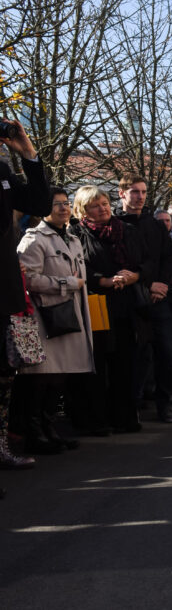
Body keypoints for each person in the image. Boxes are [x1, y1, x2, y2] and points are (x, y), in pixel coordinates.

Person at [15, 186, 92, 455]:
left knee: (59, 379)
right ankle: (34, 433)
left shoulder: (72, 239)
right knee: (41, 379)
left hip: (69, 317)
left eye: (66, 203)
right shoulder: (34, 239)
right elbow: (28, 279)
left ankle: (50, 429)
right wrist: (66, 283)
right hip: (45, 318)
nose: (63, 208)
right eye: (57, 204)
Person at [70, 185, 147, 434]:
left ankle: (124, 416)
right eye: (95, 205)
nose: (102, 208)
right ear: (83, 210)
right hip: (95, 303)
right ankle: (96, 419)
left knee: (124, 364)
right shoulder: (76, 234)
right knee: (97, 364)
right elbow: (78, 267)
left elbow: (146, 261)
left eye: (104, 203)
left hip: (126, 304)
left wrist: (134, 276)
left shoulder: (128, 230)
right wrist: (102, 280)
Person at [0, 120, 49, 476]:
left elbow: (40, 203)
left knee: (4, 372)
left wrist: (28, 155)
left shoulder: (2, 170)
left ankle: (1, 447)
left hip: (3, 286)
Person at [115, 175, 172, 423]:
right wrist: (146, 282)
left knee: (167, 352)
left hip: (159, 298)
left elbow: (168, 257)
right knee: (134, 356)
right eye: (134, 192)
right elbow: (122, 263)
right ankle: (131, 407)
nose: (140, 197)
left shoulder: (154, 225)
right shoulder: (116, 224)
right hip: (130, 299)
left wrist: (162, 284)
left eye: (143, 192)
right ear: (122, 193)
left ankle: (167, 404)